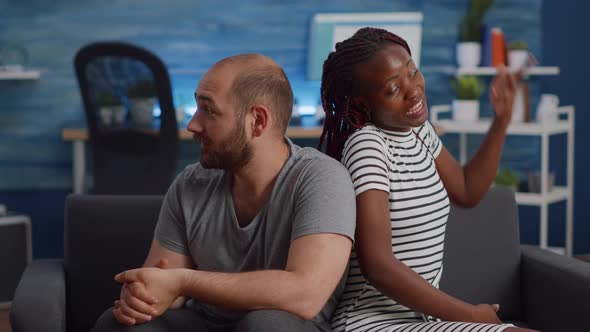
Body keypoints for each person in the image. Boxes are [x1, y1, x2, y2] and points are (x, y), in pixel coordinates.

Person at [92, 54, 356, 332]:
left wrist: (184, 282)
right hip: (205, 323)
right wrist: (143, 296)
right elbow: (164, 285)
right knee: (117, 323)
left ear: (257, 121)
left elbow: (305, 296)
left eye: (209, 111)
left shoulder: (321, 178)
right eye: (197, 108)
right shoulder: (191, 183)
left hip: (283, 325)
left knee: (266, 324)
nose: (193, 124)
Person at [318, 27, 538, 332]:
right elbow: (377, 265)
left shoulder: (418, 131)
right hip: (370, 322)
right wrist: (471, 315)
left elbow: (466, 190)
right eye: (393, 89)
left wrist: (500, 121)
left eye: (412, 71)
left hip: (420, 320)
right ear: (363, 104)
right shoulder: (368, 145)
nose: (413, 90)